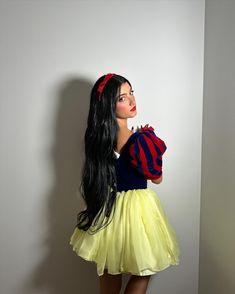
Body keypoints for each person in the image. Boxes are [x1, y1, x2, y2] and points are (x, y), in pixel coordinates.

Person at [70, 73, 179, 294]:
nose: (131, 100)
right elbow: (157, 178)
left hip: (108, 208)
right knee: (144, 270)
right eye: (122, 98)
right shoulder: (139, 141)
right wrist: (149, 144)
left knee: (110, 269)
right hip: (137, 211)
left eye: (132, 93)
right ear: (109, 105)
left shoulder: (99, 141)